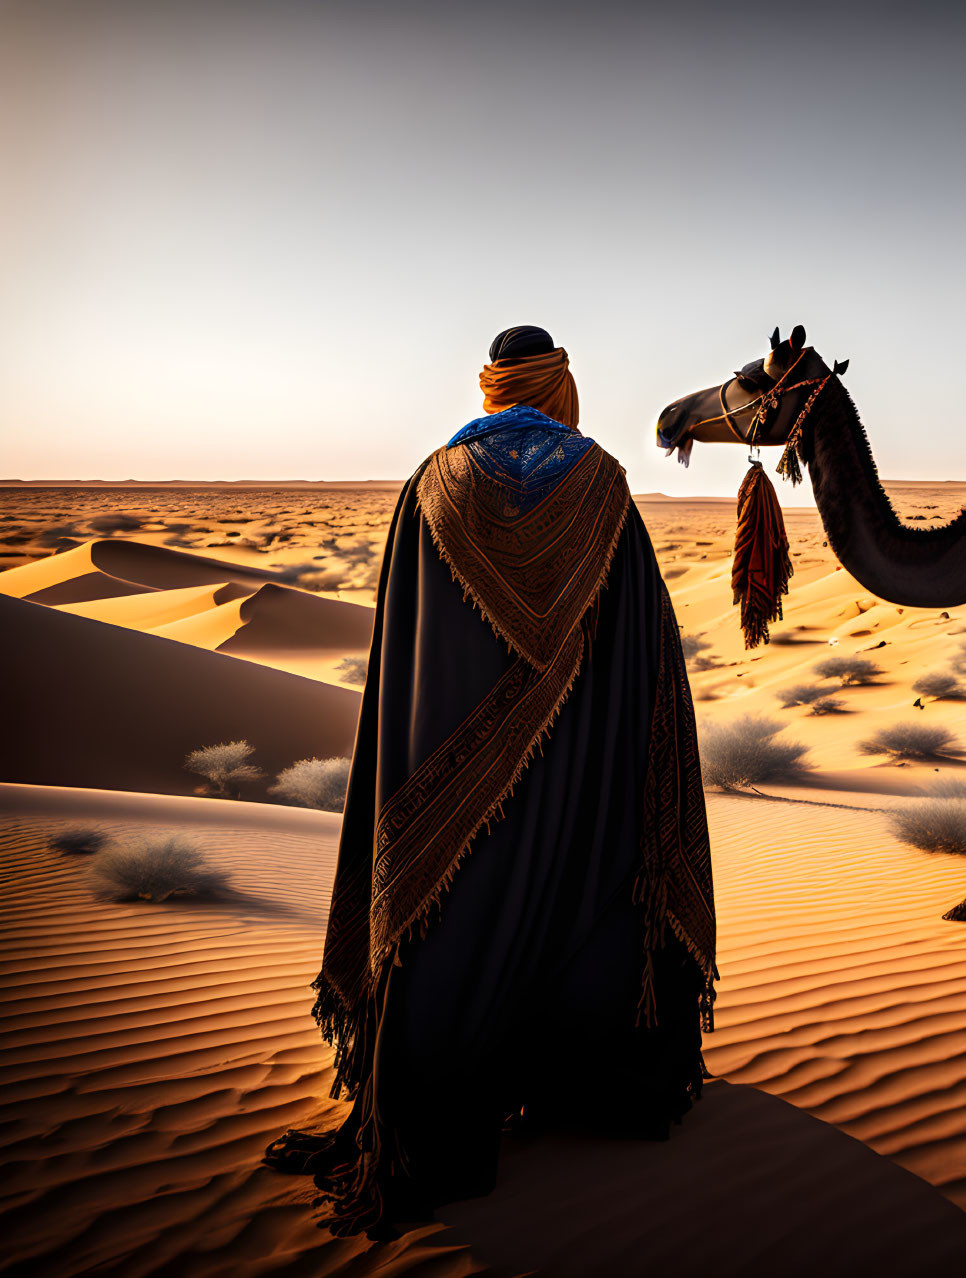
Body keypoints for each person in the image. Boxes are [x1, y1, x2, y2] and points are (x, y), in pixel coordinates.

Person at [265, 324, 716, 1236]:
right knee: (581, 901)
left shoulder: (436, 480)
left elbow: (405, 656)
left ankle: (430, 1115)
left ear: (492, 385)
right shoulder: (602, 485)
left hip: (444, 783)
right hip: (581, 769)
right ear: (559, 386)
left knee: (453, 917)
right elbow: (641, 649)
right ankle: (579, 1083)